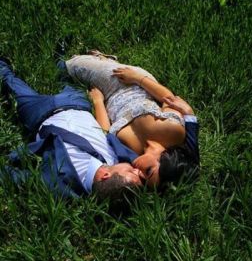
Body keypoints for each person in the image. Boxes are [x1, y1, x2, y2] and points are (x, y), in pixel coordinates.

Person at [0, 57, 145, 207]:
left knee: (10, 83)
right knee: (65, 74)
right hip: (77, 103)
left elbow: (9, 175)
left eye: (131, 172)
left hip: (40, 113)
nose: (137, 171)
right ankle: (59, 56)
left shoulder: (59, 186)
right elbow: (150, 162)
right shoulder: (118, 159)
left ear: (105, 175)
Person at [63, 53, 200, 188]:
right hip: (130, 83)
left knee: (81, 72)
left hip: (107, 97)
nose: (138, 173)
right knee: (69, 66)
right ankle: (105, 61)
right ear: (164, 158)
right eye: (148, 171)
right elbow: (167, 98)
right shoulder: (172, 132)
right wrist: (137, 78)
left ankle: (106, 60)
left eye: (143, 180)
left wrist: (98, 101)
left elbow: (104, 133)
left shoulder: (127, 155)